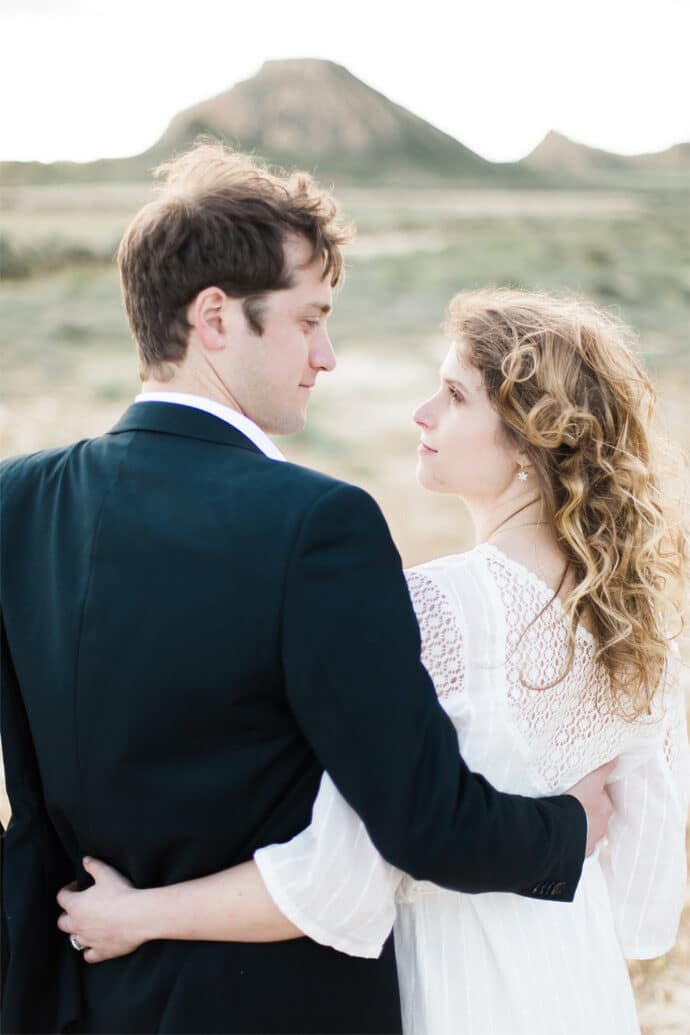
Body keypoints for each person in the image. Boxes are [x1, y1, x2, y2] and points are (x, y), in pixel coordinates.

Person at [1, 145, 612, 1035]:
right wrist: (567, 831)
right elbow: (421, 820)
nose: (325, 354)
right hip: (273, 1007)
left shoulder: (18, 499)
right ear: (215, 316)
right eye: (307, 318)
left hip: (76, 990)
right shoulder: (316, 524)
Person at [57, 290, 689, 1035]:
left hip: (458, 992)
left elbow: (339, 883)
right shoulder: (640, 625)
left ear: (529, 440)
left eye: (454, 395)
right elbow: (646, 898)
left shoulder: (437, 607)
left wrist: (136, 915)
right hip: (582, 986)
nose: (422, 414)